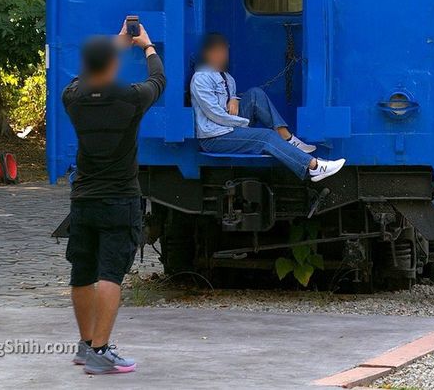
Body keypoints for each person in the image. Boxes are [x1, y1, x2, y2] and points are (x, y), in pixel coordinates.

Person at [62, 23, 166, 374]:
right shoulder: (131, 98)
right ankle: (101, 351)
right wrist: (146, 46)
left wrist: (115, 45)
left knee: (82, 271)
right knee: (110, 275)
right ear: (112, 65)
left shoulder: (72, 98)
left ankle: (85, 345)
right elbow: (159, 80)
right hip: (119, 200)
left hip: (84, 200)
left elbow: (83, 78)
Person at [191, 32, 345, 182]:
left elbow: (229, 98)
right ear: (207, 54)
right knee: (266, 137)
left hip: (230, 129)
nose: (223, 55)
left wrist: (234, 98)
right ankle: (313, 167)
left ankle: (287, 138)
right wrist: (243, 124)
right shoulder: (201, 78)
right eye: (218, 51)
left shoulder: (227, 77)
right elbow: (214, 114)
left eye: (224, 51)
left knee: (255, 94)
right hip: (215, 137)